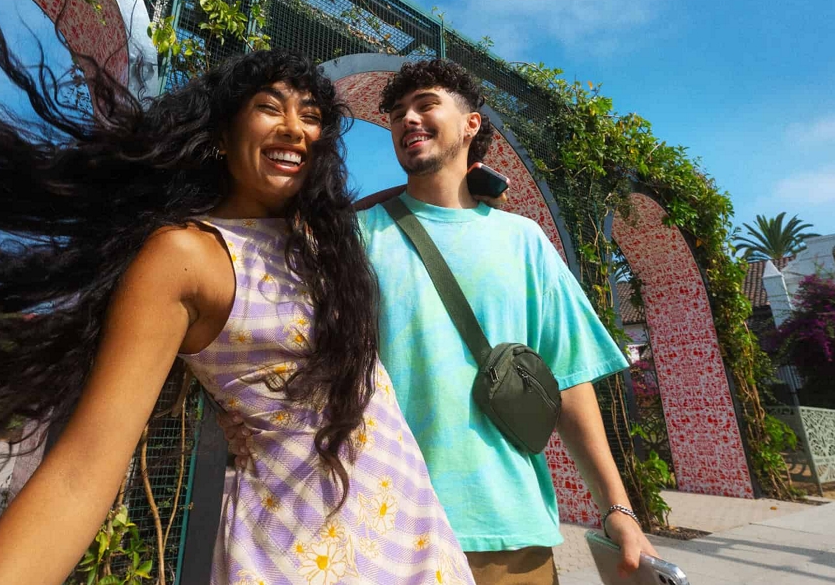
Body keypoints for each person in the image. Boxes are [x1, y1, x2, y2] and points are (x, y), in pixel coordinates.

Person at [0, 0, 474, 584]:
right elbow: (83, 470)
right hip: (299, 559)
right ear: (220, 134)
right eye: (269, 107)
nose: (296, 128)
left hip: (418, 543)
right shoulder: (187, 256)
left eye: (312, 116)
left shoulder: (325, 246)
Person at [225, 59, 660, 584]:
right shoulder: (353, 239)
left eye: (426, 104)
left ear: (470, 124)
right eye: (397, 113)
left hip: (508, 531)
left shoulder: (524, 242)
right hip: (382, 525)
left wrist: (618, 509)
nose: (408, 119)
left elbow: (568, 383)